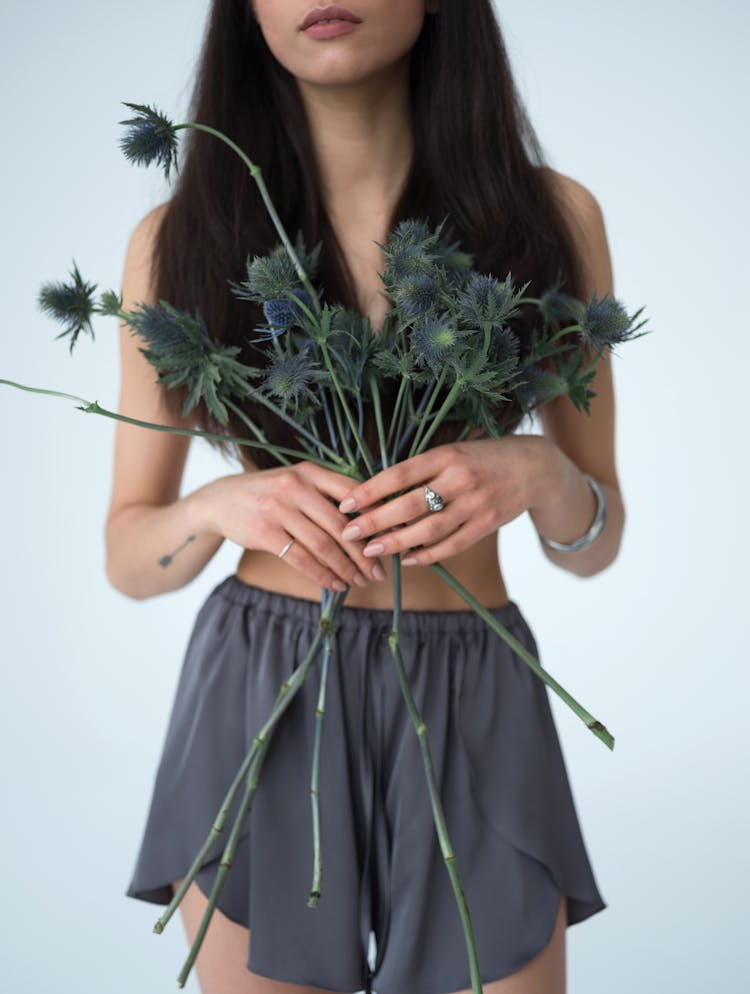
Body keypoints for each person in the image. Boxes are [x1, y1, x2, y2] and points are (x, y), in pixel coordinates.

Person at [109, 2, 622, 993]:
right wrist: (220, 506)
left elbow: (593, 538)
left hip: (479, 692)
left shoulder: (553, 220)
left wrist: (544, 475)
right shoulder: (177, 239)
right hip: (266, 689)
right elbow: (128, 554)